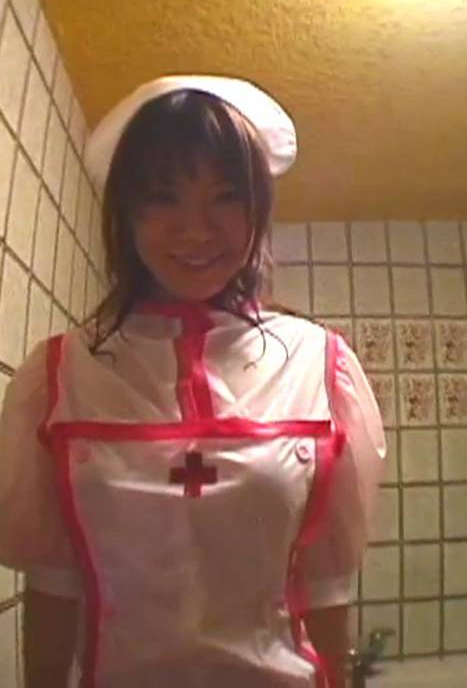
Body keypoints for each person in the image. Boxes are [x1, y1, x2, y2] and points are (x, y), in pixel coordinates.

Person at [0, 75, 385, 688]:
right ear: (127, 212)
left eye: (226, 197)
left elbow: (326, 587)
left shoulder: (320, 366)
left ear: (257, 210)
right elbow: (53, 583)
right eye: (163, 197)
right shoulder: (59, 376)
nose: (197, 230)